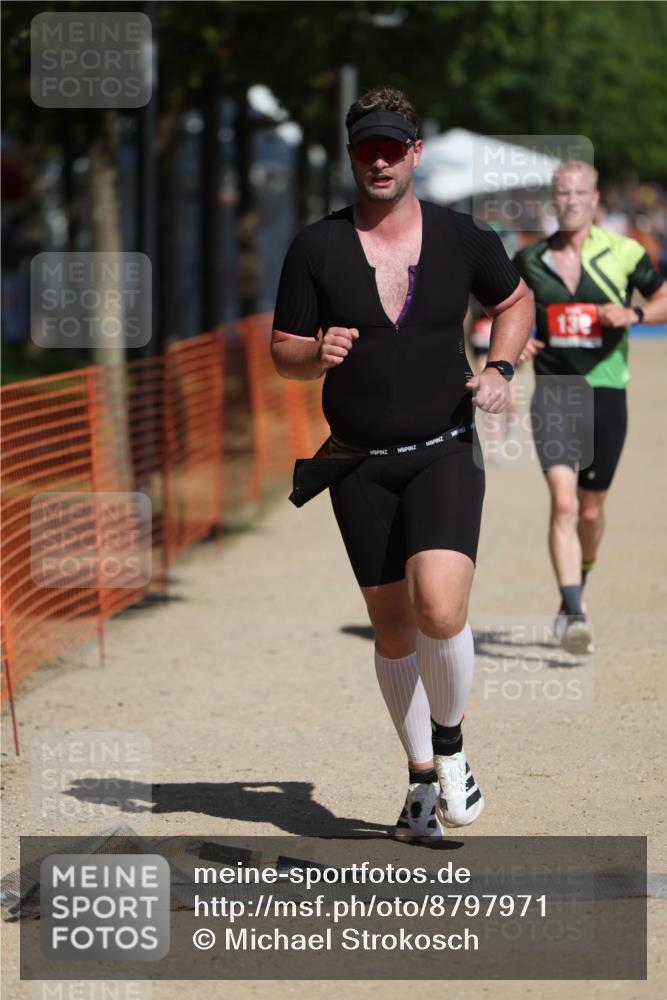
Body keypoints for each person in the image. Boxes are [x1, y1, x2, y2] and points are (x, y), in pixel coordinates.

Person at [271, 85, 534, 841]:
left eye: (392, 148)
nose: (379, 161)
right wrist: (314, 354)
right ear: (351, 154)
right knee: (391, 629)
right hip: (356, 465)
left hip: (442, 448)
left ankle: (451, 750)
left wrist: (499, 369)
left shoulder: (462, 237)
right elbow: (283, 351)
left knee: (440, 606)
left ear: (414, 152)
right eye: (367, 149)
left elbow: (514, 302)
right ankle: (420, 782)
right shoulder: (315, 247)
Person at [514, 161, 667, 653]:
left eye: (580, 192)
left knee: (590, 508)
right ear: (553, 200)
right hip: (555, 391)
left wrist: (634, 313)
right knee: (563, 503)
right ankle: (575, 611)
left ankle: (580, 575)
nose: (571, 200)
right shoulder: (529, 259)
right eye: (563, 192)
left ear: (596, 199)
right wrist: (514, 342)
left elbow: (663, 297)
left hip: (606, 390)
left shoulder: (624, 252)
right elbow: (500, 311)